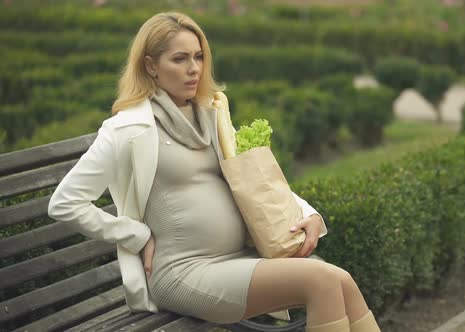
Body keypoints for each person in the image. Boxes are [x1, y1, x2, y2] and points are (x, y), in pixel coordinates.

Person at [47, 11, 380, 332]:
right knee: (320, 281)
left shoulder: (211, 115)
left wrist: (309, 214)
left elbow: (249, 180)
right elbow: (65, 202)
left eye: (198, 56)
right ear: (151, 66)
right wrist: (137, 235)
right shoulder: (127, 128)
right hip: (183, 272)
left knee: (341, 281)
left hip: (239, 258)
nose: (194, 69)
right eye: (179, 59)